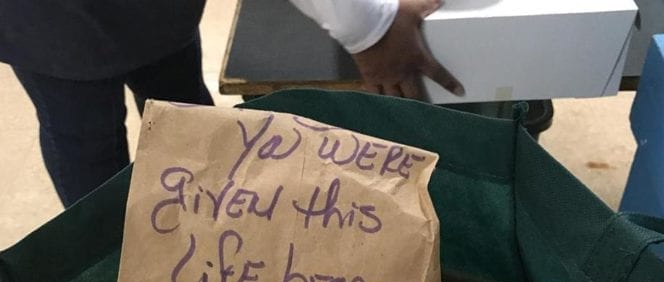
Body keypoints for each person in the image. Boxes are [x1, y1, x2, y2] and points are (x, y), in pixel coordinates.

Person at [0, 0, 463, 208]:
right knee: (85, 137)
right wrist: (369, 28)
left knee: (183, 111)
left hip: (157, 18)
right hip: (49, 21)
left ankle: (206, 227)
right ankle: (104, 265)